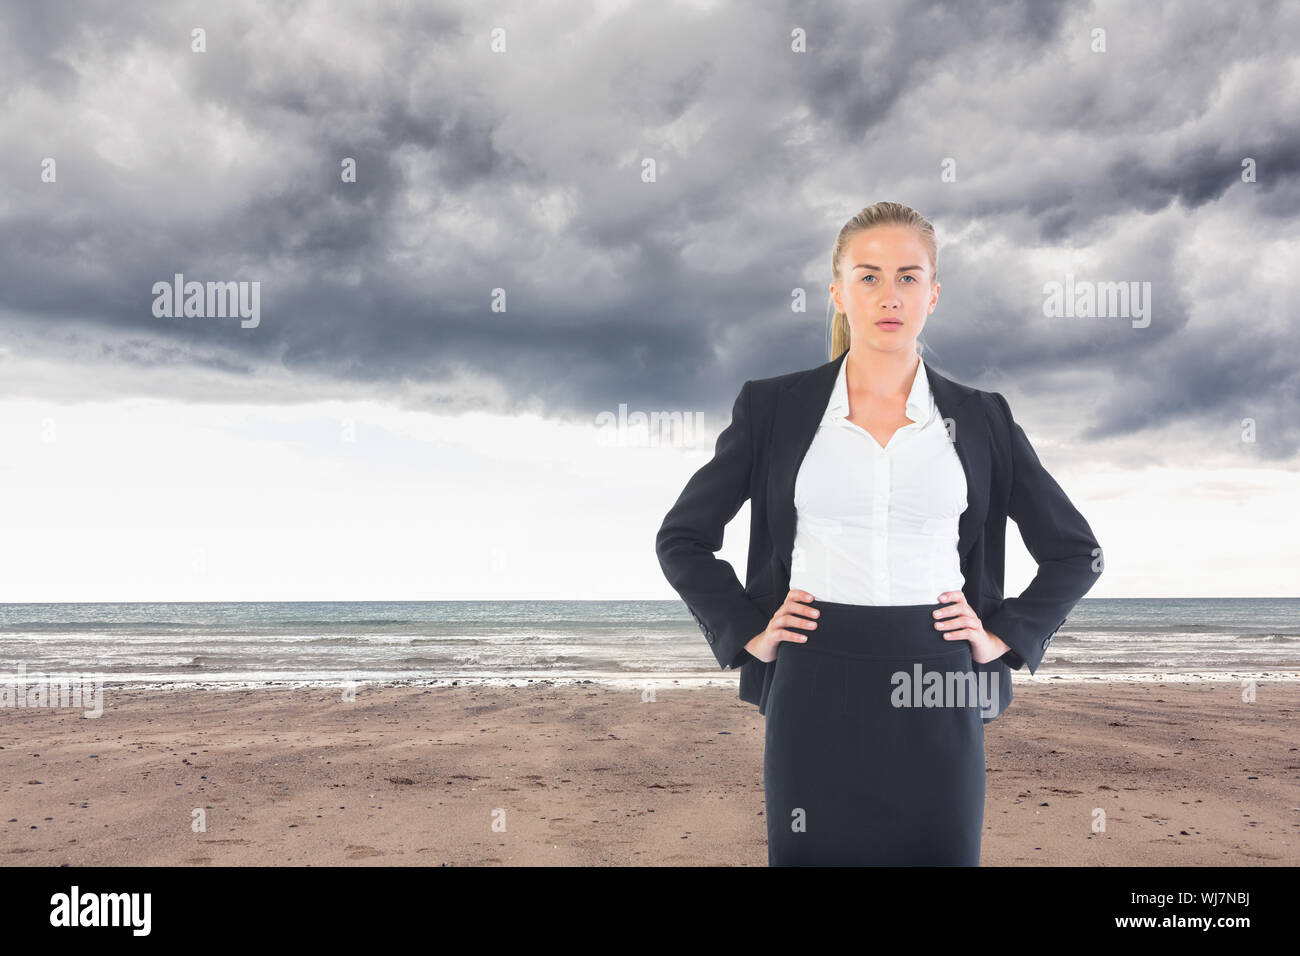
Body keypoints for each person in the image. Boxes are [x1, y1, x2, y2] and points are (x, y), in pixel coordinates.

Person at [655, 201, 1104, 865]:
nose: (888, 295)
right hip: (813, 678)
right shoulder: (773, 409)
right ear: (837, 292)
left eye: (907, 277)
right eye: (868, 277)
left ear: (933, 294)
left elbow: (1076, 553)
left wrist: (1002, 634)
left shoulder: (982, 419)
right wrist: (746, 628)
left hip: (941, 678)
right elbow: (682, 538)